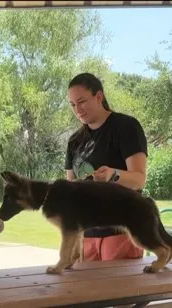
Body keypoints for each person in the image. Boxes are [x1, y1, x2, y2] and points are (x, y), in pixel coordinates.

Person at [65, 72, 148, 262]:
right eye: (72, 105)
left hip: (122, 232)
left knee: (120, 292)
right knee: (84, 291)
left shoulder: (126, 127)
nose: (77, 109)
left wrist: (113, 175)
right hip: (85, 235)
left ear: (99, 96)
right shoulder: (74, 142)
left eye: (82, 101)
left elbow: (139, 179)